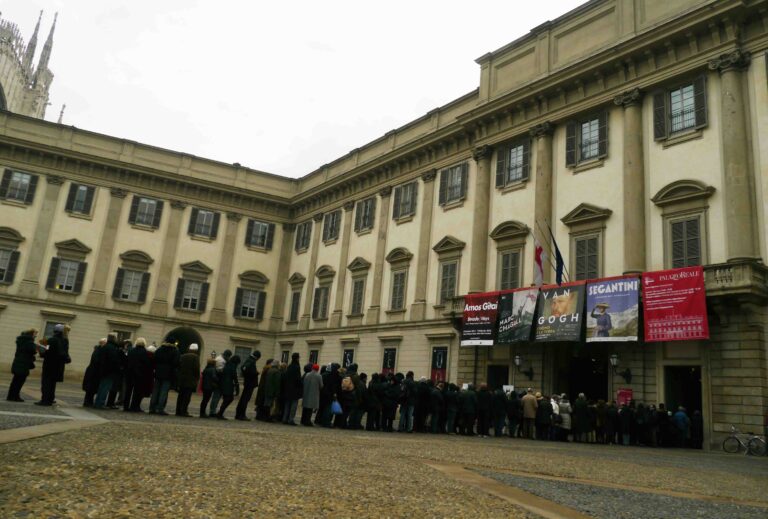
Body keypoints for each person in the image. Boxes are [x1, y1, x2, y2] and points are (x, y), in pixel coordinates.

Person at [36, 324, 71, 406]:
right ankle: (51, 399)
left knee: (46, 383)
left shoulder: (51, 340)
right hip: (59, 365)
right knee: (53, 383)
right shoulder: (65, 340)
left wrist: (40, 349)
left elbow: (45, 352)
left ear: (54, 331)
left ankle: (45, 400)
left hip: (49, 364)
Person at [7, 328, 38, 402]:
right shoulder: (29, 342)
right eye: (35, 334)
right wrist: (36, 348)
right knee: (19, 382)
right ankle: (16, 396)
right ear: (31, 334)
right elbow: (32, 351)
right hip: (23, 364)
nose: (36, 336)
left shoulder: (21, 340)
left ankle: (11, 396)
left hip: (18, 362)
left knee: (15, 381)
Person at [149, 341, 180, 415]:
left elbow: (154, 360)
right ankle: (160, 408)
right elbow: (175, 363)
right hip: (168, 374)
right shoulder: (174, 351)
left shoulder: (159, 350)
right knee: (163, 392)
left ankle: (152, 408)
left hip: (158, 373)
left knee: (155, 391)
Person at [94, 333, 122, 409]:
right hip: (109, 371)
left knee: (101, 387)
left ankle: (97, 402)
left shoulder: (105, 347)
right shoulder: (112, 348)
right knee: (105, 388)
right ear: (114, 339)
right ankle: (101, 403)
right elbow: (113, 361)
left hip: (103, 370)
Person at [123, 337, 151, 412]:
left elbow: (126, 361)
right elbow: (147, 364)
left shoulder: (131, 350)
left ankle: (125, 406)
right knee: (137, 391)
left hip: (129, 372)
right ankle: (134, 406)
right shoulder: (145, 352)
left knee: (128, 390)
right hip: (140, 374)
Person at [235, 350, 261, 421]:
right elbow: (246, 369)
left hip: (247, 382)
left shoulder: (248, 359)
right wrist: (256, 373)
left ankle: (238, 414)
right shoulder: (251, 361)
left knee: (243, 398)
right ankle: (241, 415)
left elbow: (243, 368)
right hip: (250, 383)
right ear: (257, 357)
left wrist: (245, 375)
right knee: (245, 399)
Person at [175, 343, 200, 417]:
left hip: (182, 379)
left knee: (180, 396)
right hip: (190, 380)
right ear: (196, 350)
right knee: (187, 397)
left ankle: (178, 411)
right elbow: (196, 369)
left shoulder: (182, 356)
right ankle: (184, 411)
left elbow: (178, 367)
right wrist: (197, 378)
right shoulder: (196, 357)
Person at [208, 350, 232, 417]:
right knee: (216, 397)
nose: (229, 358)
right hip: (218, 382)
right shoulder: (221, 361)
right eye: (229, 357)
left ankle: (212, 411)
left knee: (216, 397)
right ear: (227, 356)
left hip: (217, 381)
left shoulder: (219, 358)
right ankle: (212, 412)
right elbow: (220, 371)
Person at [82, 339, 105, 407]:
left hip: (92, 371)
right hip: (93, 372)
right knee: (90, 388)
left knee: (91, 388)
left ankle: (89, 401)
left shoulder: (97, 349)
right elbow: (96, 361)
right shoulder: (98, 350)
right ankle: (87, 402)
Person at [216, 354, 241, 419]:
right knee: (228, 399)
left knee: (227, 399)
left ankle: (220, 413)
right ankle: (220, 413)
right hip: (228, 385)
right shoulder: (232, 366)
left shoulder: (228, 364)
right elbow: (234, 376)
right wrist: (237, 386)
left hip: (224, 384)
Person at [281, 352, 302, 425]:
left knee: (287, 404)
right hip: (294, 389)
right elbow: (298, 379)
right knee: (293, 405)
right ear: (297, 358)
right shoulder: (297, 367)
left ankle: (284, 418)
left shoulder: (289, 366)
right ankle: (291, 419)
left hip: (287, 388)